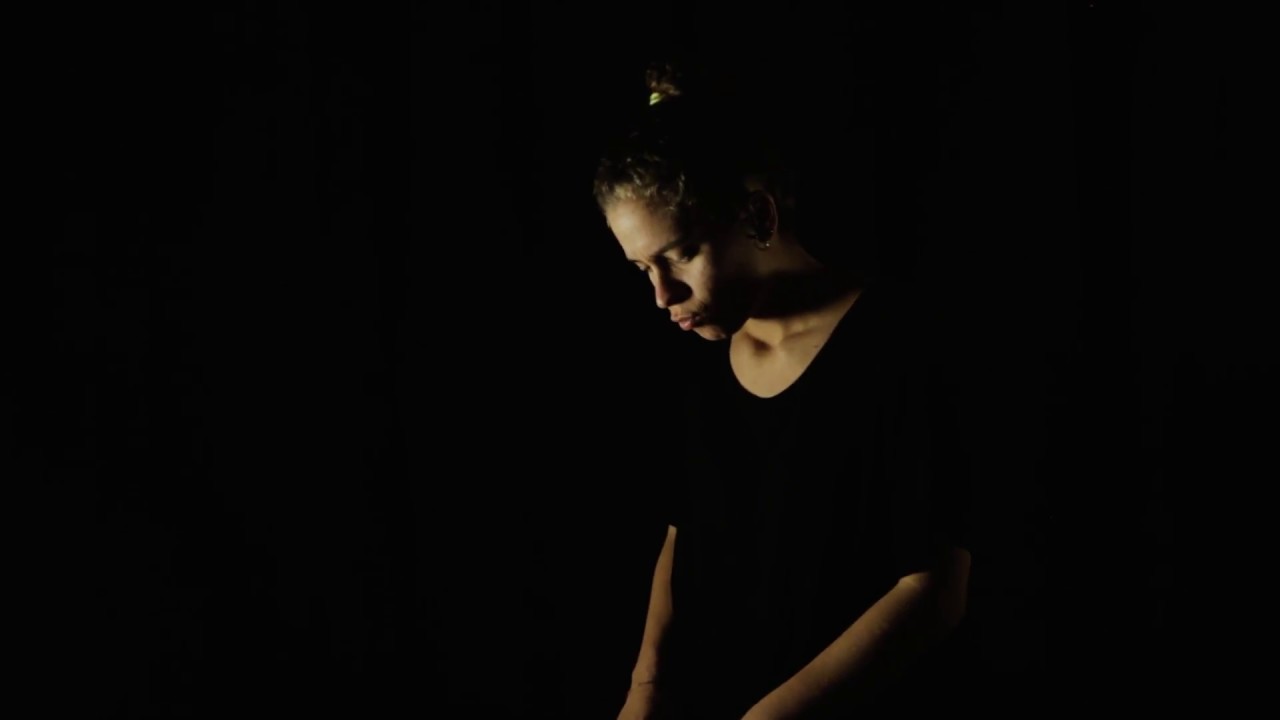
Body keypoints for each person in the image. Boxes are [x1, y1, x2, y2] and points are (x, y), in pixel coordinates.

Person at [597, 62, 974, 720]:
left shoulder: (899, 349)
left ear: (757, 215)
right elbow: (684, 535)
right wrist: (645, 689)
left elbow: (933, 589)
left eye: (679, 255)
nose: (661, 296)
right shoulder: (702, 359)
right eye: (640, 269)